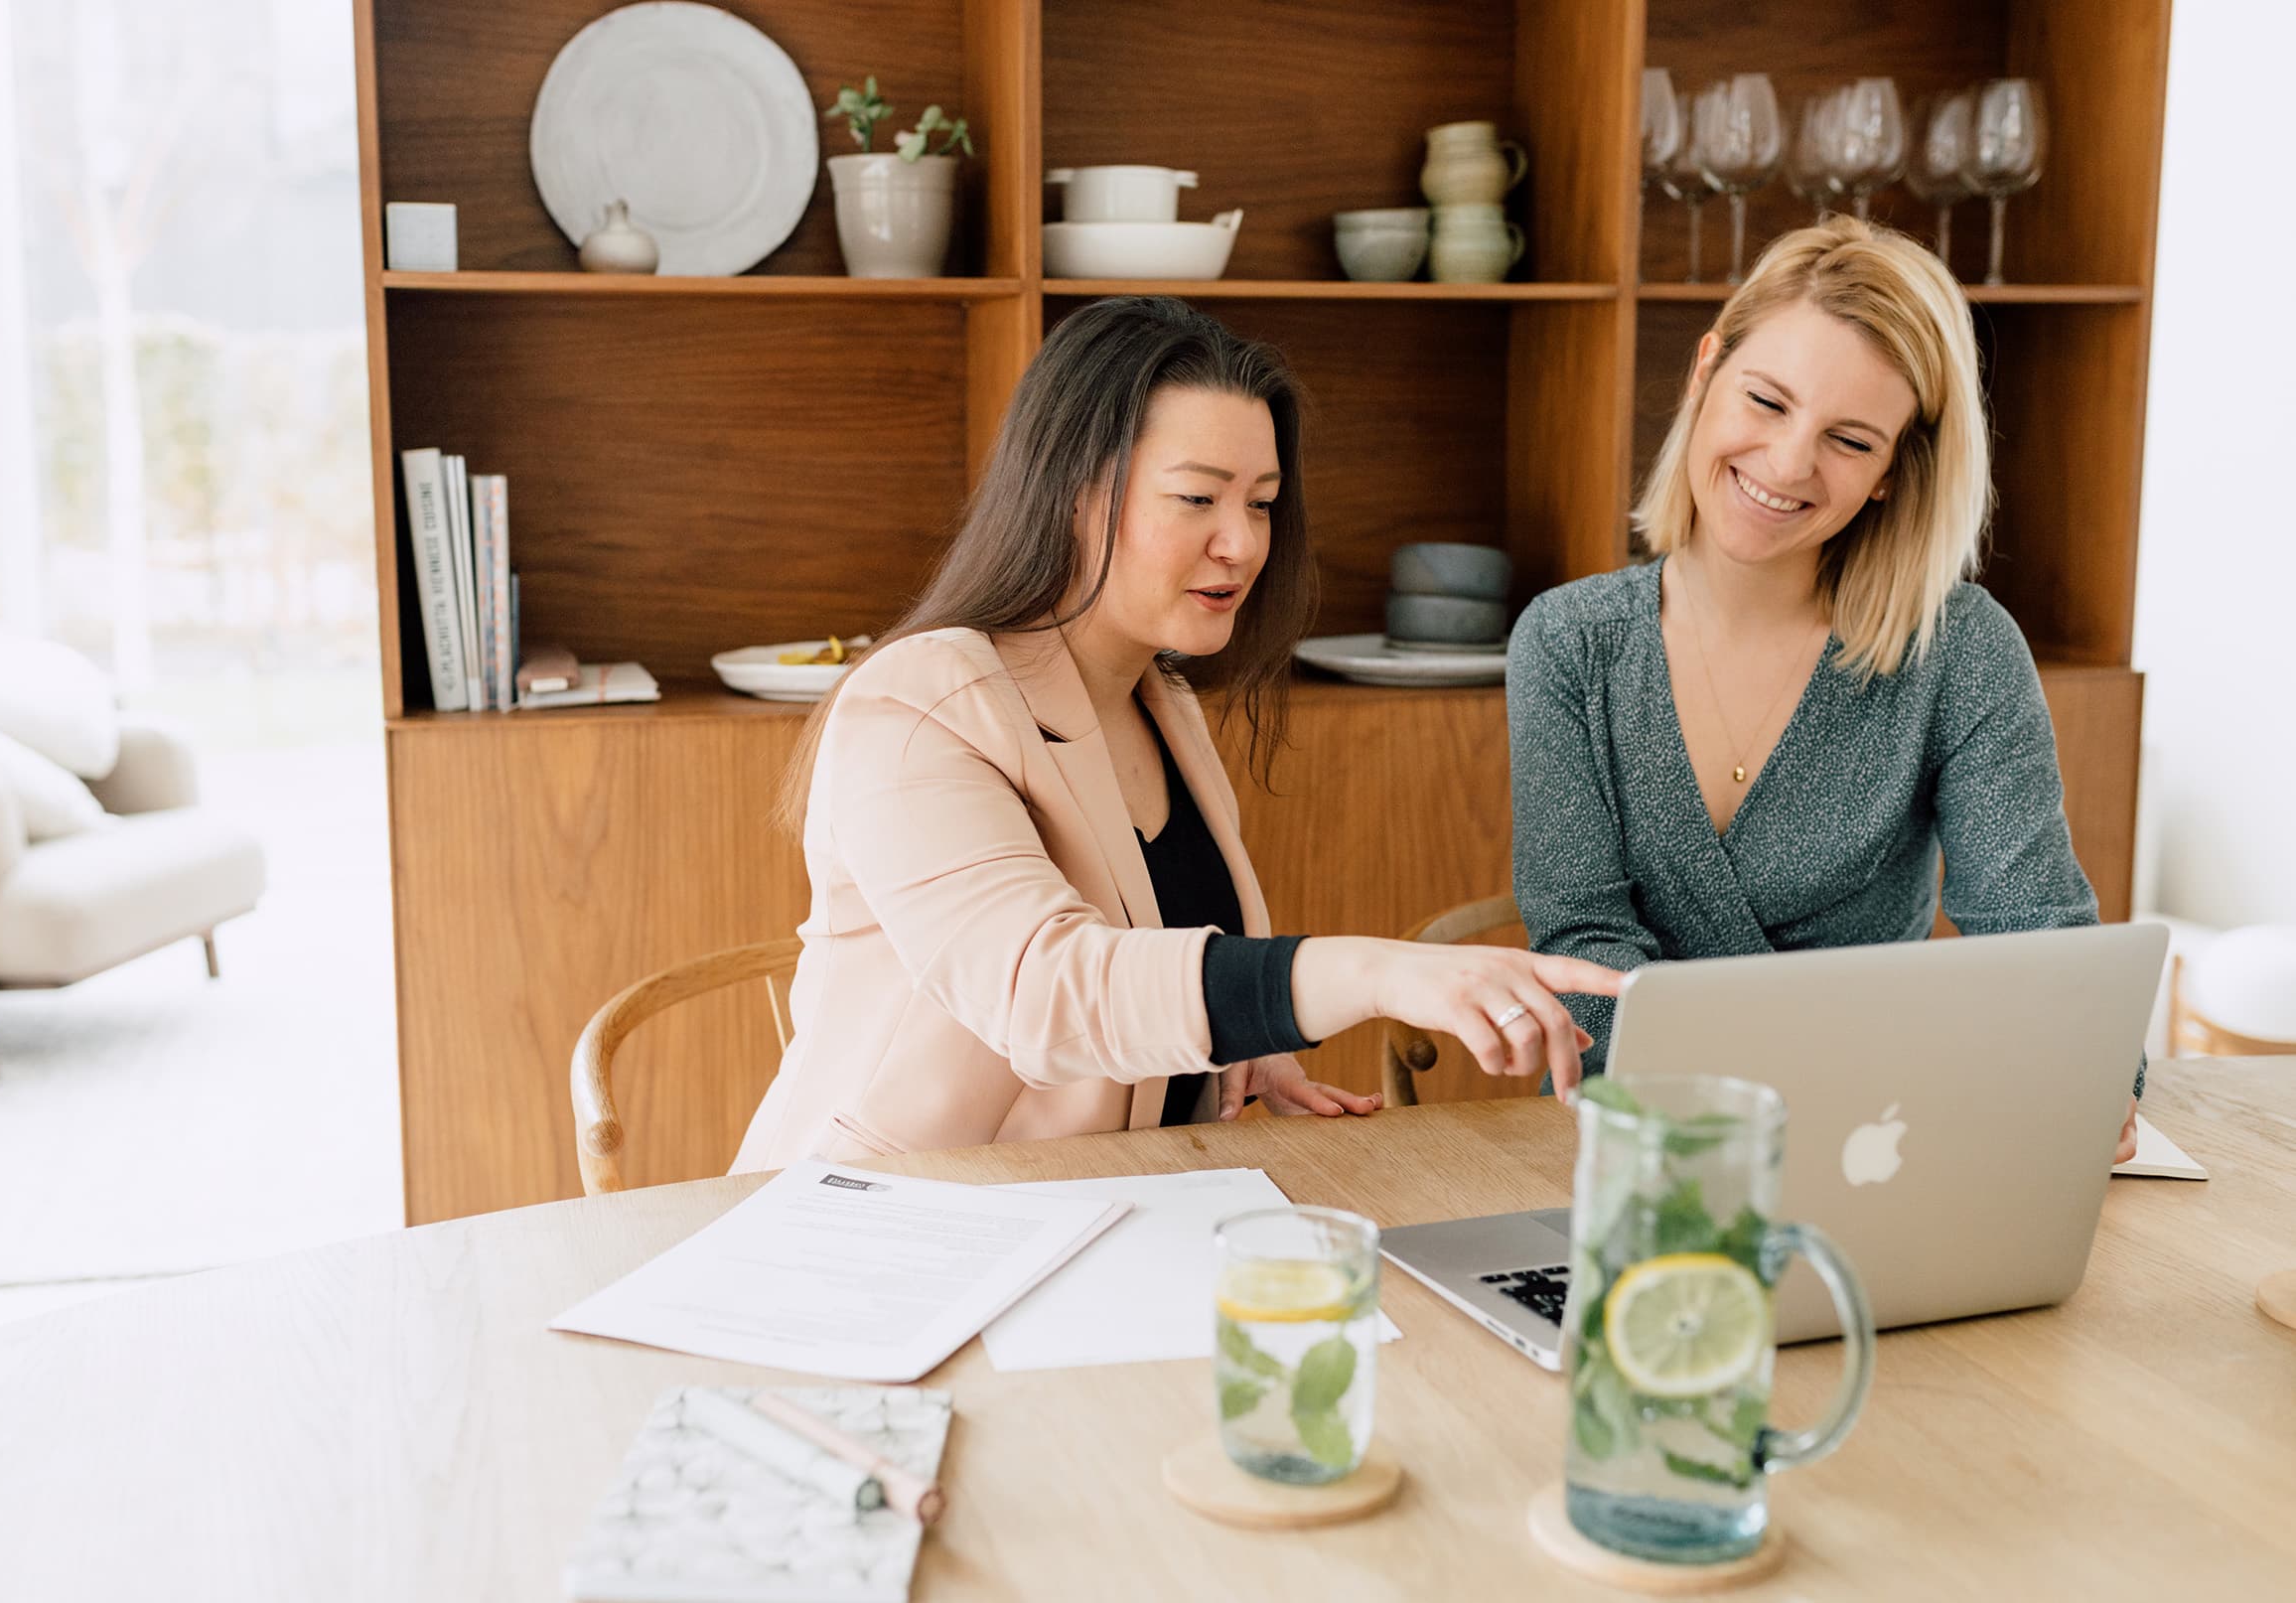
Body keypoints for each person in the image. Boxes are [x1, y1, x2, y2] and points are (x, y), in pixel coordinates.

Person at [733, 296, 1620, 1171]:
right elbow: (1045, 994)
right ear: (1071, 491)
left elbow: (1154, 949)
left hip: (1099, 1210)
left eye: (1262, 503)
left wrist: (1239, 1044)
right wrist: (1369, 975)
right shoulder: (921, 702)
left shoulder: (1165, 704)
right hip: (879, 1224)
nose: (1240, 543)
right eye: (1197, 497)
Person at [1507, 216, 2141, 1161]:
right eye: (1766, 401)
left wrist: (2090, 1074)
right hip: (1647, 1147)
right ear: (1704, 371)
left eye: (1848, 439)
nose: (1790, 463)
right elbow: (1583, 947)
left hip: (1871, 1149)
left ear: (1892, 473)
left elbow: (2033, 926)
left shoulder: (1958, 649)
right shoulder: (1568, 642)